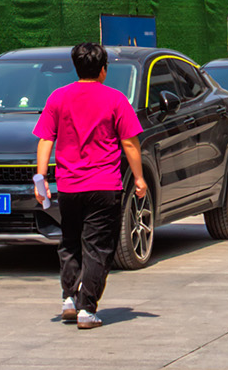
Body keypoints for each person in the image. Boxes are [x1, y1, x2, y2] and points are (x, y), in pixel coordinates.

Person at [34, 41, 148, 329]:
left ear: (76, 67)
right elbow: (129, 143)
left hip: (69, 186)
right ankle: (87, 308)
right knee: (98, 247)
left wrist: (41, 179)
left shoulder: (58, 98)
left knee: (70, 242)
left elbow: (45, 139)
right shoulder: (115, 99)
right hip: (104, 185)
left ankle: (70, 299)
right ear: (103, 70)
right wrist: (139, 178)